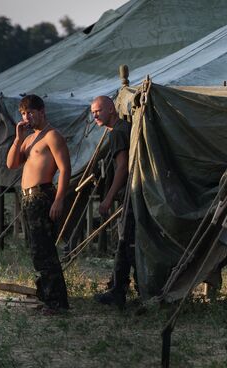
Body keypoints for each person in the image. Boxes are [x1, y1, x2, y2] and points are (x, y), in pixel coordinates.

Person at [6, 94, 71, 313]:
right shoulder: (28, 138)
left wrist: (59, 199)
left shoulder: (52, 136)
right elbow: (11, 164)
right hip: (28, 198)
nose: (27, 117)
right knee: (36, 250)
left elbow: (65, 169)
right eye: (23, 113)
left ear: (42, 111)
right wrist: (17, 138)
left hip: (43, 195)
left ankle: (57, 303)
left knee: (44, 251)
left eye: (30, 112)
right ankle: (46, 296)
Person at [90, 95, 137, 309]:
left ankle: (119, 291)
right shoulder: (126, 127)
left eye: (98, 111)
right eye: (93, 113)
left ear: (111, 109)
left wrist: (108, 199)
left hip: (131, 192)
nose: (95, 116)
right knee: (128, 241)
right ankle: (120, 287)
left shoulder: (118, 132)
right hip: (137, 193)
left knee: (124, 240)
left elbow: (122, 167)